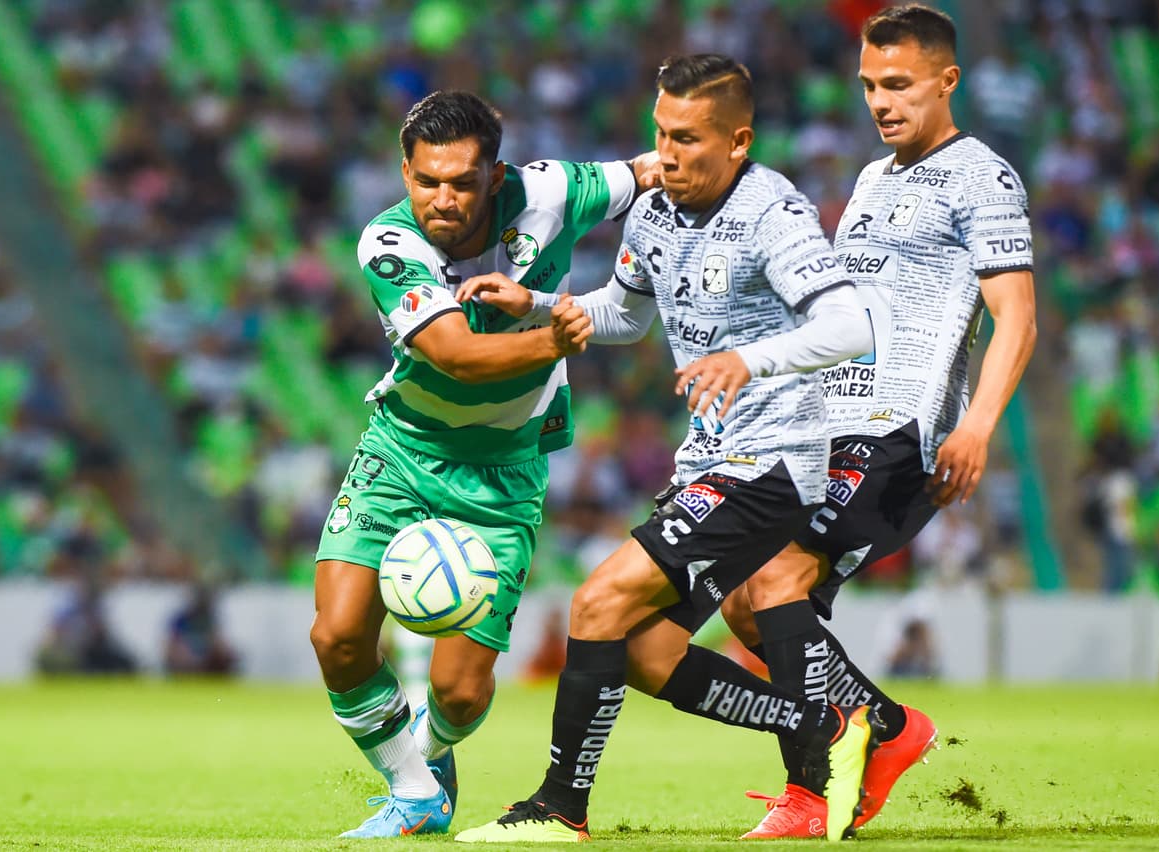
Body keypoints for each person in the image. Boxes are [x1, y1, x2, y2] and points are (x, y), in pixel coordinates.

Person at [452, 54, 876, 844]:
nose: (667, 154)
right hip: (712, 462)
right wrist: (543, 305)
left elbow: (851, 325)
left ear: (738, 141)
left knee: (597, 603)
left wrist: (751, 360)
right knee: (644, 651)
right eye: (659, 133)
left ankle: (558, 809)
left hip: (775, 461)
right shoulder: (651, 214)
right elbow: (627, 314)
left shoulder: (771, 213)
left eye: (687, 138)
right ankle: (827, 724)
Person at [720, 4, 1037, 838]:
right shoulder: (871, 180)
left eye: (897, 84)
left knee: (779, 580)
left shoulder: (983, 178)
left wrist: (976, 428)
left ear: (947, 80)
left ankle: (817, 788)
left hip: (902, 433)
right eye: (868, 85)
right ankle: (886, 733)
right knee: (745, 601)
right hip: (827, 426)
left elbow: (1019, 317)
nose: (880, 101)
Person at [308, 90, 658, 838]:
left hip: (502, 472)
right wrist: (557, 335)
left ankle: (429, 757)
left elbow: (656, 167)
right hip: (402, 451)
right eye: (426, 179)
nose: (441, 198)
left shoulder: (555, 192)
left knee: (460, 695)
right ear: (405, 171)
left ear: (494, 176)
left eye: (462, 182)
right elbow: (459, 357)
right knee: (336, 636)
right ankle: (414, 789)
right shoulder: (387, 243)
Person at [163, 584, 238, 676]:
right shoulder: (181, 619)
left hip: (206, 658)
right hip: (185, 658)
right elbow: (172, 643)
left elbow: (218, 641)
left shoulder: (209, 619)